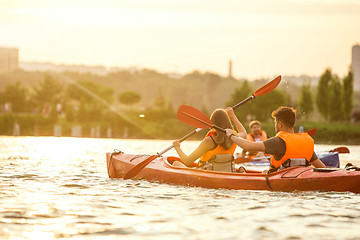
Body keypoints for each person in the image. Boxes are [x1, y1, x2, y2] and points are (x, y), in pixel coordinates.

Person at [226, 106, 325, 174]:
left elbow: (248, 146)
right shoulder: (305, 143)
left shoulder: (278, 141)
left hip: (279, 184)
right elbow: (323, 169)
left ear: (280, 124)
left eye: (275, 122)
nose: (275, 125)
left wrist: (232, 136)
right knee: (264, 172)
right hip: (298, 181)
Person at [172, 107, 247, 172]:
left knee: (176, 163)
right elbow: (244, 133)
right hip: (227, 172)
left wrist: (177, 147)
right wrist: (233, 116)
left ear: (212, 122)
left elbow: (187, 161)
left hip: (208, 173)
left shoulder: (209, 140)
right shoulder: (233, 137)